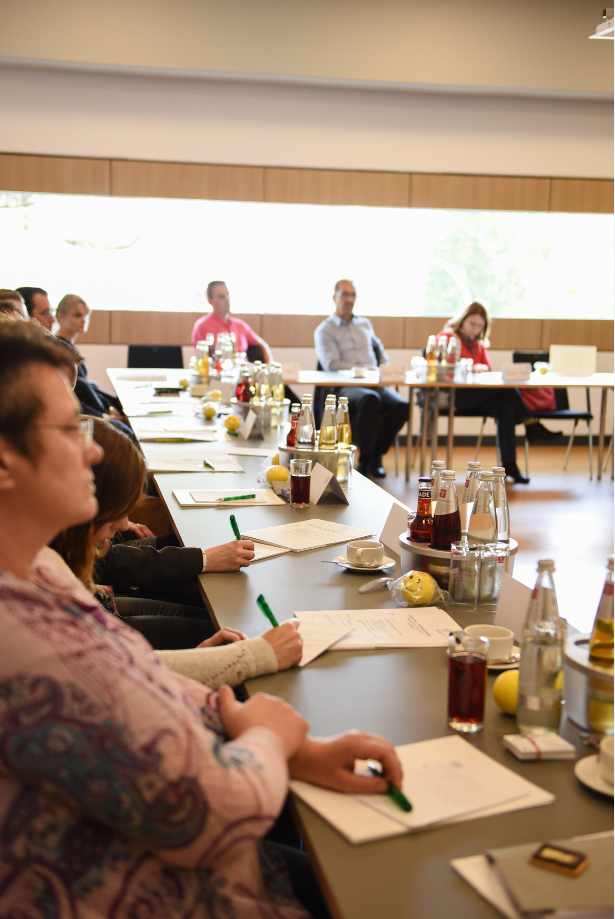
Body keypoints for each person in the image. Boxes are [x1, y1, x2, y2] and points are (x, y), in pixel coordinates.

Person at [0, 318, 403, 918]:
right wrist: (271, 735)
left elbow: (128, 676)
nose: (92, 445)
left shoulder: (42, 572)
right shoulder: (24, 639)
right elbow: (218, 813)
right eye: (69, 428)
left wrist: (293, 750)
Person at [435, 302, 558, 484]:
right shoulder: (447, 338)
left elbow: (488, 369)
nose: (475, 329)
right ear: (462, 321)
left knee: (506, 407)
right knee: (505, 387)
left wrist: (480, 368)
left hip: (478, 395)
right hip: (456, 395)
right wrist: (470, 368)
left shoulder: (478, 344)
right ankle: (530, 423)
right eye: (472, 324)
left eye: (480, 326)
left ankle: (510, 466)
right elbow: (445, 368)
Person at [314, 279, 408, 478]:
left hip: (374, 382)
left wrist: (385, 369)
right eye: (345, 294)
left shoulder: (365, 324)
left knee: (401, 405)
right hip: (344, 386)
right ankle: (365, 459)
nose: (349, 299)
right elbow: (331, 365)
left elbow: (381, 353)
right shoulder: (325, 330)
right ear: (334, 298)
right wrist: (360, 371)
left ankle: (376, 455)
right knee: (370, 399)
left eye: (353, 295)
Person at [192, 280, 273, 360]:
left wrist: (269, 366)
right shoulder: (202, 326)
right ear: (210, 300)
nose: (227, 299)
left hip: (244, 370)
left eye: (227, 295)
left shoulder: (240, 325)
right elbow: (204, 358)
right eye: (221, 296)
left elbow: (262, 345)